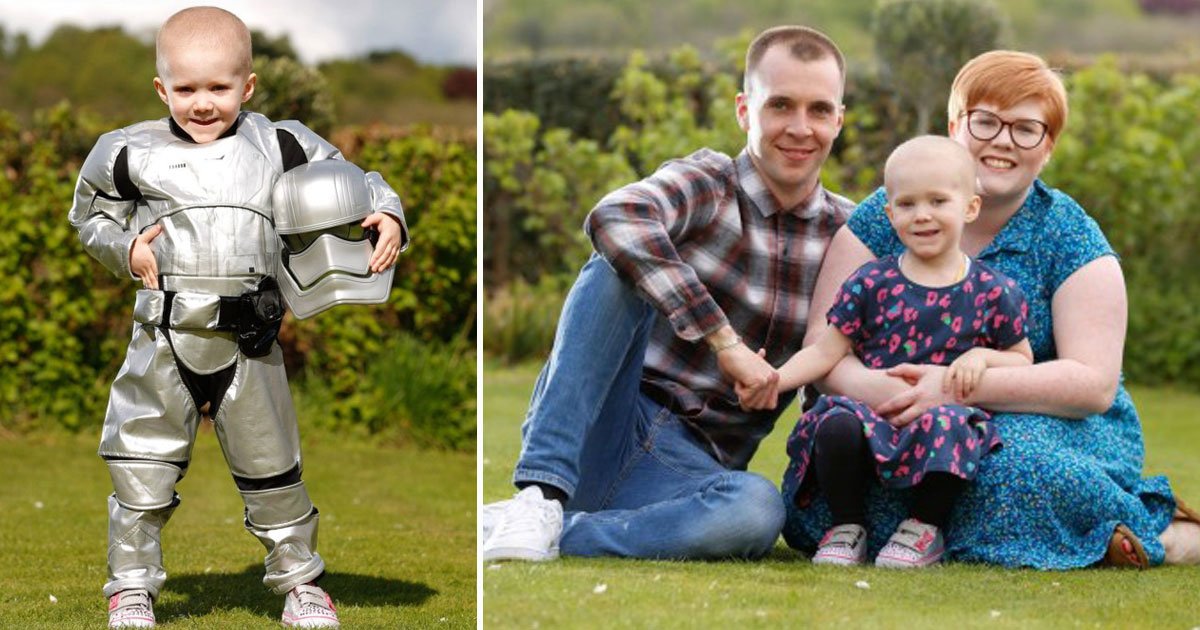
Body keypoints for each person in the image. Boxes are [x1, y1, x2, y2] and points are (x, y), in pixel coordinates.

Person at [782, 49, 1200, 569]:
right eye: (985, 121)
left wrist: (953, 391)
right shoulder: (886, 213)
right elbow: (825, 349)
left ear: (1047, 148)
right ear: (955, 127)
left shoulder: (1070, 236)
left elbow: (1092, 383)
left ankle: (1160, 533)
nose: (1002, 140)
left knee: (1001, 467)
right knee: (837, 482)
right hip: (889, 414)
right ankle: (1069, 537)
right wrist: (894, 396)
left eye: (1026, 129)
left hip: (1038, 418)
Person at [68, 7, 407, 628]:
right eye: (187, 88)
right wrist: (128, 247)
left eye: (219, 88)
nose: (202, 103)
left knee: (273, 470)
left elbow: (356, 183)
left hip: (251, 339)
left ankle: (300, 584)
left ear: (247, 87)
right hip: (165, 337)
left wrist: (386, 213)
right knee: (141, 469)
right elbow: (89, 218)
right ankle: (132, 588)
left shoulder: (280, 142)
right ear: (161, 88)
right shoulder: (126, 152)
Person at [480, 25, 856, 562]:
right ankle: (540, 493)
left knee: (757, 511)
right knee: (615, 265)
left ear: (838, 119)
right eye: (781, 106)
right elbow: (615, 216)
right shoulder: (709, 180)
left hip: (695, 470)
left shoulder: (848, 235)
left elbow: (838, 365)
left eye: (819, 110)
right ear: (745, 110)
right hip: (609, 419)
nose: (800, 128)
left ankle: (552, 531)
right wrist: (724, 341)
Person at [745, 136, 1032, 568]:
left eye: (938, 201)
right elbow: (827, 352)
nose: (923, 215)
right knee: (835, 422)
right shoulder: (870, 282)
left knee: (954, 423)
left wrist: (981, 358)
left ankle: (923, 528)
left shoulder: (994, 290)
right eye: (908, 204)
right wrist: (775, 378)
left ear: (970, 208)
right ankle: (847, 527)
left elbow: (1021, 358)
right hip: (871, 413)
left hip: (938, 416)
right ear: (890, 213)